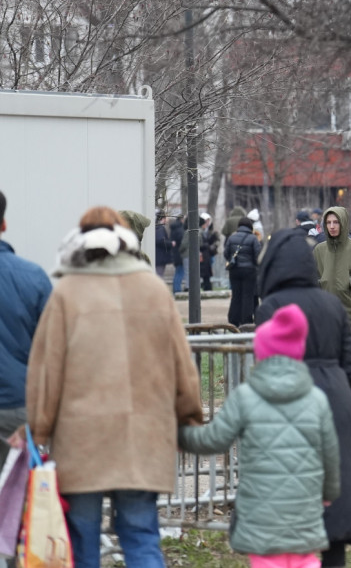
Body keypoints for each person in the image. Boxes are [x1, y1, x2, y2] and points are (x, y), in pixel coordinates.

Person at [17, 206, 203, 568]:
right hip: (144, 436)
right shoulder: (154, 289)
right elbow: (183, 366)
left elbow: (46, 372)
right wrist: (189, 420)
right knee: (141, 536)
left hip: (81, 441)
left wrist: (39, 431)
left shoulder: (66, 294)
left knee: (83, 541)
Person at [179, 304, 341, 568]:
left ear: (261, 354)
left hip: (262, 514)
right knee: (306, 561)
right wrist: (329, 493)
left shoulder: (246, 396)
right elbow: (331, 456)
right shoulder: (317, 399)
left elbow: (214, 439)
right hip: (305, 510)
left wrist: (181, 435)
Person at [256, 230, 351, 567]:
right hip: (335, 405)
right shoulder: (331, 304)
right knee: (333, 509)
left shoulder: (271, 307)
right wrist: (349, 408)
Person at [0, 190, 52, 478]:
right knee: (19, 497)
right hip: (20, 406)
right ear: (4, 224)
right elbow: (54, 347)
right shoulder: (33, 277)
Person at [224, 216, 263, 327]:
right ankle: (246, 320)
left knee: (236, 295)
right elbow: (258, 255)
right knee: (248, 296)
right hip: (249, 271)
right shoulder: (253, 238)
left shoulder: (232, 238)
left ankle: (233, 319)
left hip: (234, 271)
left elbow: (226, 254)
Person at [199, 212, 221, 291]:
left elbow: (217, 240)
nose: (207, 223)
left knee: (208, 270)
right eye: (206, 221)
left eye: (208, 221)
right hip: (203, 254)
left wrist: (214, 246)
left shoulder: (211, 230)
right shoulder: (200, 230)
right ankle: (205, 286)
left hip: (210, 253)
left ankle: (207, 286)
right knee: (203, 271)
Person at [170, 213, 187, 293]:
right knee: (180, 272)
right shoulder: (180, 230)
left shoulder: (173, 229)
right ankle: (177, 290)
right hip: (180, 255)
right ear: (181, 219)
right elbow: (182, 243)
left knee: (178, 271)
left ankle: (176, 289)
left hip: (175, 254)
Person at [154, 209, 172, 277]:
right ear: (163, 218)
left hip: (158, 257)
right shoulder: (160, 228)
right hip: (160, 258)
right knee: (159, 276)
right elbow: (160, 240)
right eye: (166, 217)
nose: (168, 219)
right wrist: (170, 244)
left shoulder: (157, 227)